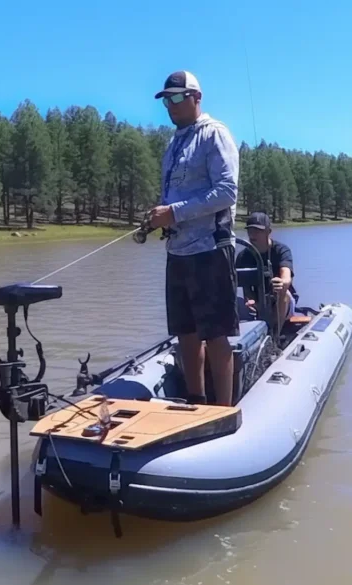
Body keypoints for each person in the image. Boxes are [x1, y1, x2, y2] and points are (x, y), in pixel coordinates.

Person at [144, 70, 241, 407]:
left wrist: (175, 213)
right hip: (178, 250)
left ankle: (223, 409)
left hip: (210, 248)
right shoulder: (172, 143)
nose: (169, 105)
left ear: (196, 98)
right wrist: (161, 218)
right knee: (185, 331)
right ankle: (194, 399)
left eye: (175, 97)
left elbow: (227, 192)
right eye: (165, 100)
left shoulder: (215, 135)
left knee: (215, 333)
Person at [236, 212, 298, 325]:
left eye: (258, 231)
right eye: (250, 231)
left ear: (268, 232)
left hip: (283, 300)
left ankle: (275, 333)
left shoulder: (281, 250)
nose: (253, 235)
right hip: (258, 302)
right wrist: (250, 300)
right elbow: (244, 287)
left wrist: (282, 283)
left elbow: (286, 276)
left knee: (283, 292)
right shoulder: (243, 256)